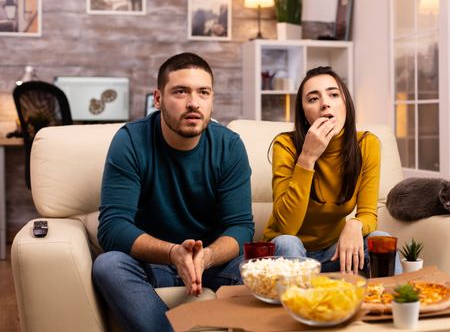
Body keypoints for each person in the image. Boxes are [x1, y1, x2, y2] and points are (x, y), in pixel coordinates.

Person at [92, 52, 254, 332]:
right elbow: (112, 227)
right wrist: (172, 253)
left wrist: (207, 256)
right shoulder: (130, 141)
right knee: (108, 265)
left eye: (203, 92)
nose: (193, 103)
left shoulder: (229, 146)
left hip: (212, 265)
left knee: (268, 266)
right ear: (158, 99)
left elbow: (240, 226)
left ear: (212, 98)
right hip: (154, 265)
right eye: (181, 91)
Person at [262, 66, 401, 276]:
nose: (325, 103)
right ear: (304, 114)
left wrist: (354, 225)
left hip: (335, 253)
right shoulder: (285, 145)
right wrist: (307, 157)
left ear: (345, 104)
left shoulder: (367, 144)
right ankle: (298, 306)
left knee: (379, 238)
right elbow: (287, 227)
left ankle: (394, 305)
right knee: (288, 242)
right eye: (313, 99)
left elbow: (368, 215)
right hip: (288, 253)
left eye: (333, 94)